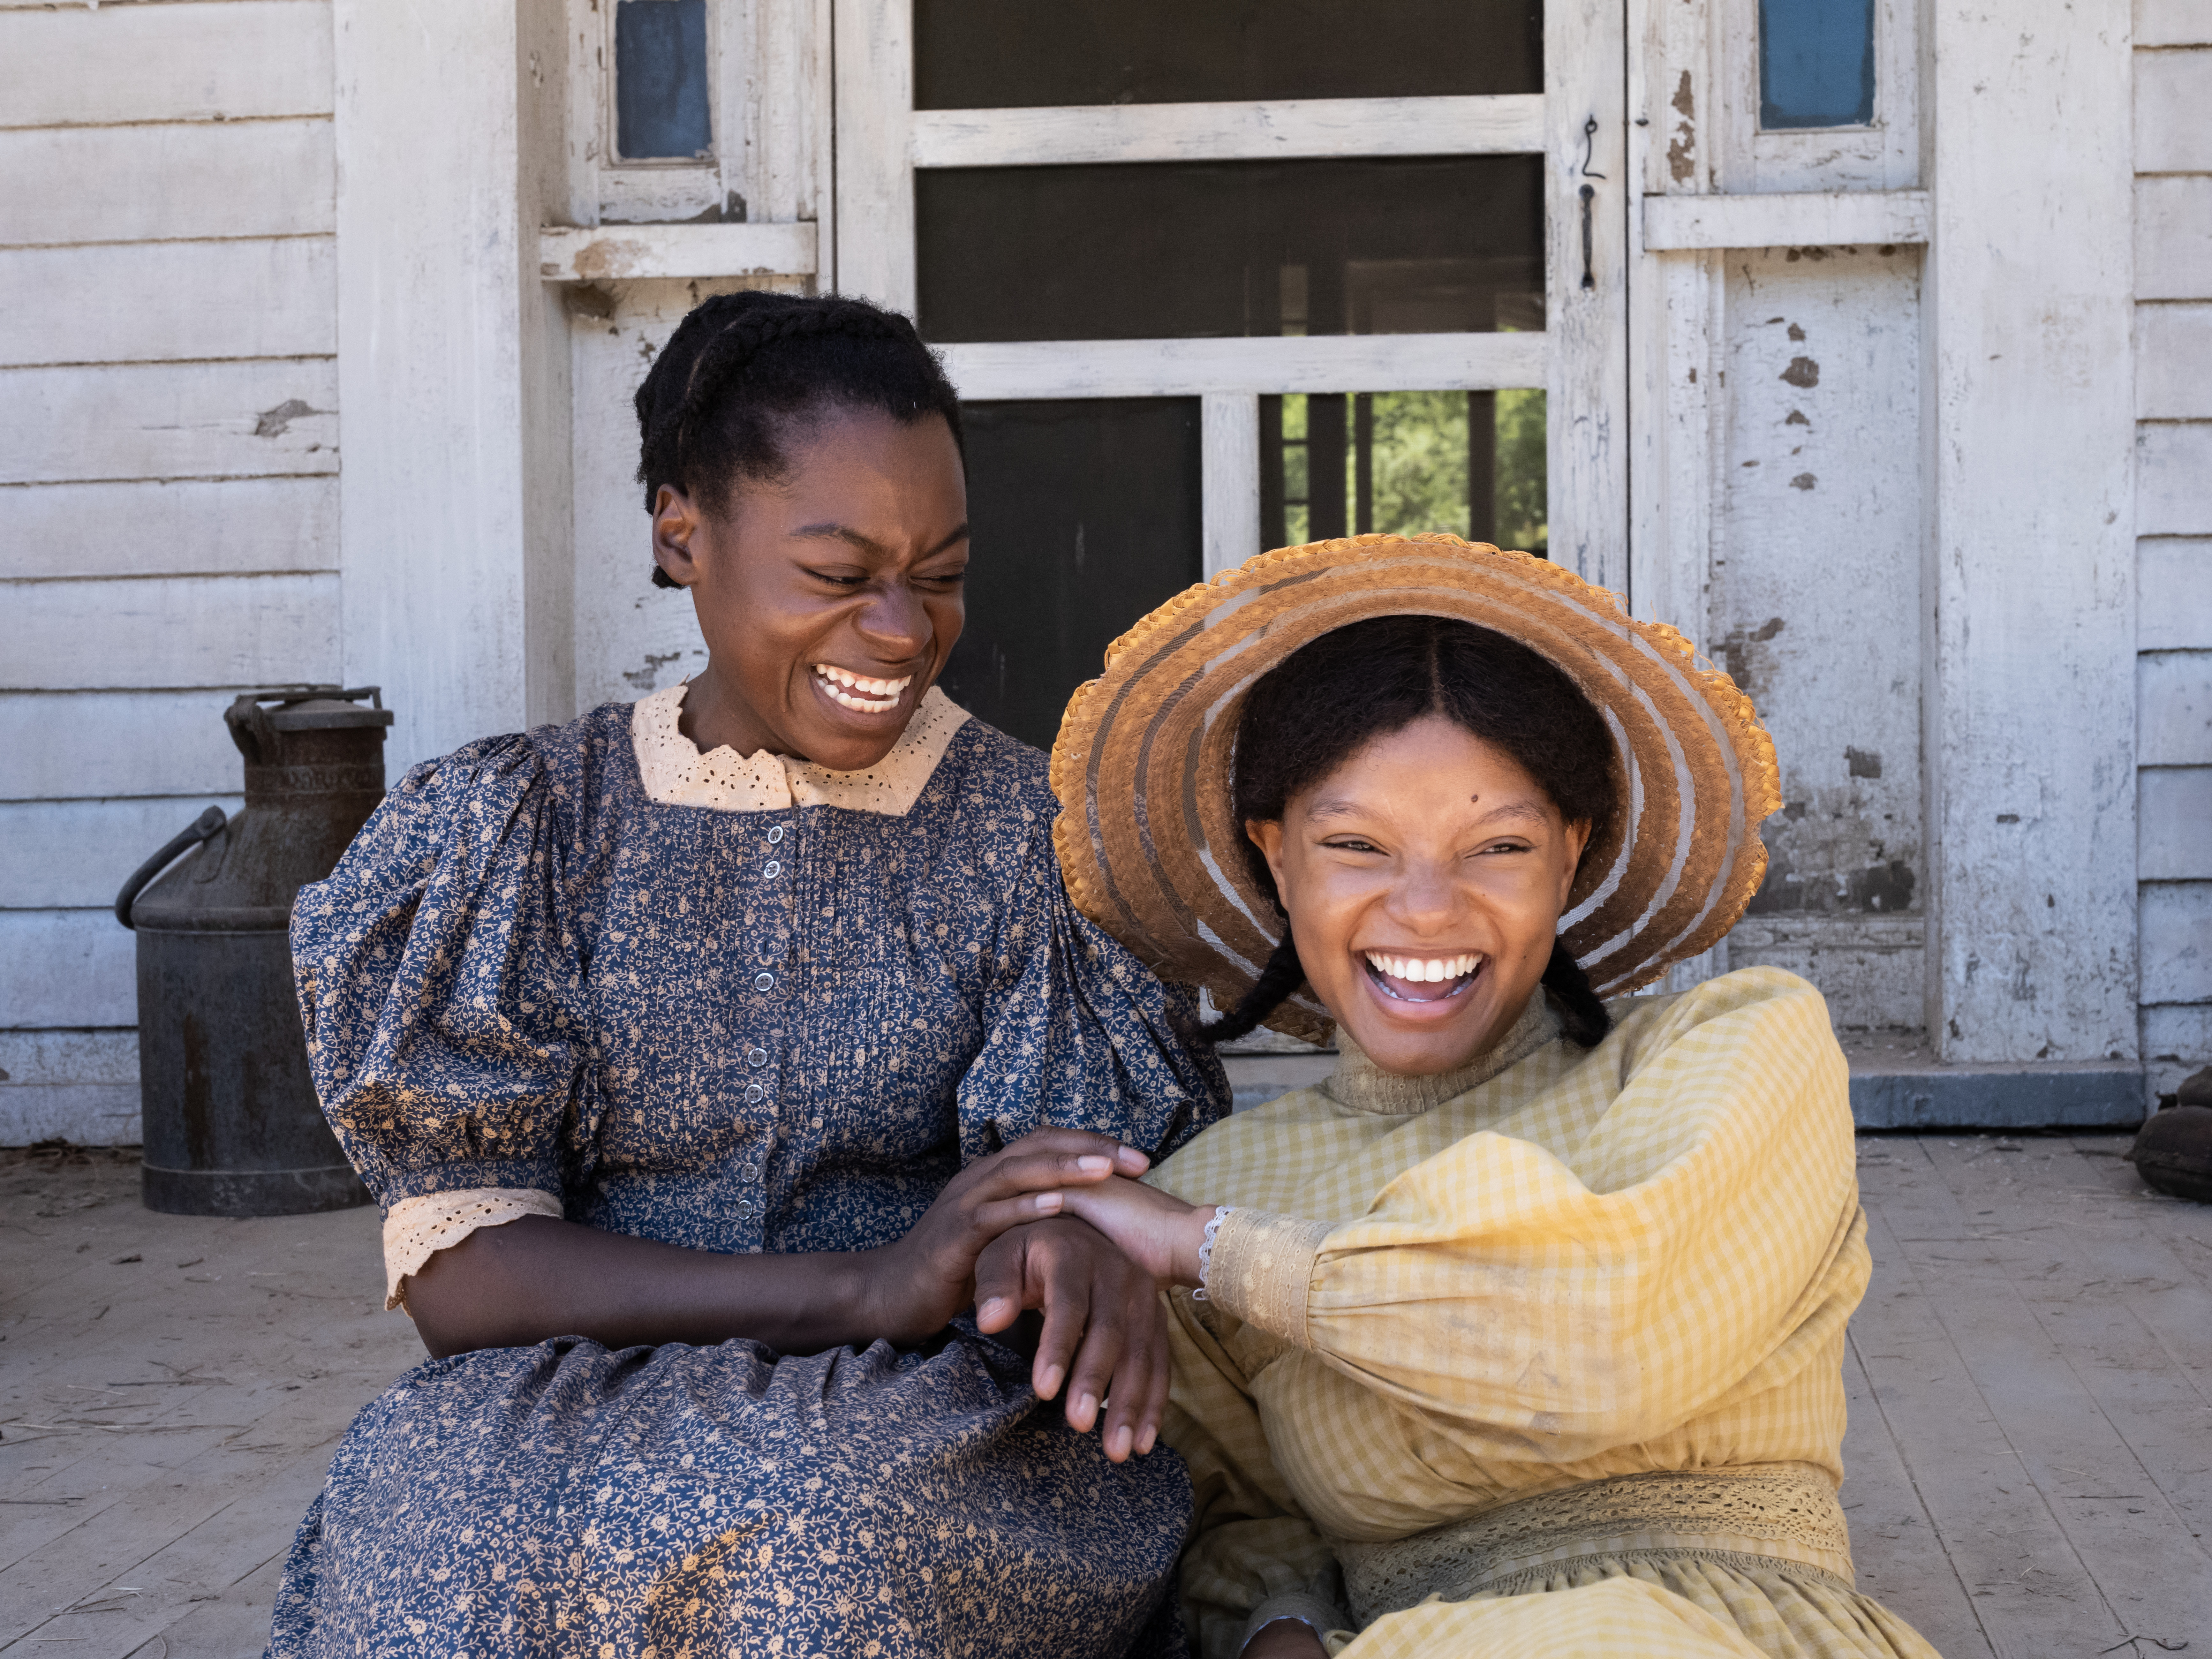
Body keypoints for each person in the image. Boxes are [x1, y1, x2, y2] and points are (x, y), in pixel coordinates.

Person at [271, 292, 1228, 1659]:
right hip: (569, 1389)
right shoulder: (528, 825)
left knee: (805, 1534)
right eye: (839, 576)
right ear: (682, 535)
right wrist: (858, 1285)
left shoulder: (1036, 843)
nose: (900, 628)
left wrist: (1056, 1251)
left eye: (940, 572)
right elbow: (463, 1278)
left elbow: (1049, 1197)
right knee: (425, 1516)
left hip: (928, 1411)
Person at [1038, 536, 1945, 1659]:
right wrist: (1279, 1625)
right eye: (1356, 845)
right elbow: (1246, 1521)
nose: (1425, 908)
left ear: (1570, 856)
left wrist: (1215, 1252)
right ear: (1276, 858)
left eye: (1498, 846)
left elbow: (1599, 1347)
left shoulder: (1733, 1051)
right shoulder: (1212, 1190)